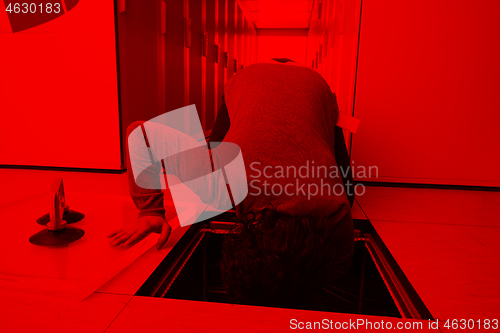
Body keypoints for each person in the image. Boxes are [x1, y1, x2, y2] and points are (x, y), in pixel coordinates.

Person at [108, 58, 355, 308]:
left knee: (348, 191)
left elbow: (339, 265)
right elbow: (139, 134)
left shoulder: (333, 205)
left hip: (304, 81)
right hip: (277, 79)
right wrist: (149, 212)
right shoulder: (222, 185)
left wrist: (150, 209)